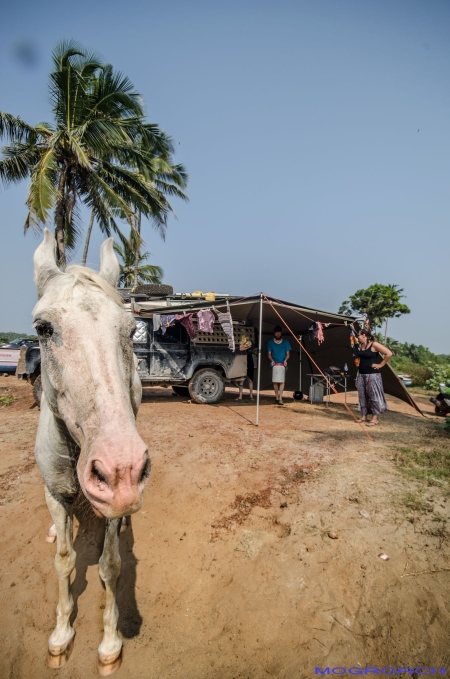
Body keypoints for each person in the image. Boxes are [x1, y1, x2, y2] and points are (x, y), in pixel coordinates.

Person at [356, 328, 392, 426]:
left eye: (359, 335)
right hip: (361, 373)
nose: (357, 337)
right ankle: (364, 416)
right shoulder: (361, 345)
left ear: (364, 335)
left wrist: (380, 364)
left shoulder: (374, 344)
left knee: (374, 395)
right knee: (362, 395)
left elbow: (389, 353)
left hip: (372, 374)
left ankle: (375, 418)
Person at [267, 326, 291, 405]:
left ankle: (280, 397)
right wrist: (272, 360)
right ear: (274, 333)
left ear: (281, 333)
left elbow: (288, 354)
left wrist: (285, 360)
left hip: (282, 364)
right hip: (274, 364)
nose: (278, 334)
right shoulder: (270, 342)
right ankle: (276, 397)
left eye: (279, 332)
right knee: (275, 381)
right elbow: (269, 354)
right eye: (276, 333)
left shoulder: (286, 342)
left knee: (282, 381)